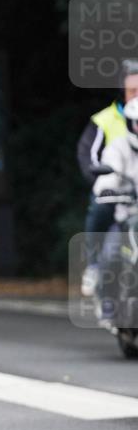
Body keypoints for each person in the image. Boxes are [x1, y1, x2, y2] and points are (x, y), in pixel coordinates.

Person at [77, 59, 138, 296]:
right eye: (132, 90)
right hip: (116, 191)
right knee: (99, 208)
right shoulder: (104, 120)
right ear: (122, 91)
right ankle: (93, 266)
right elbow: (89, 157)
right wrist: (105, 187)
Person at [92, 97, 138, 322]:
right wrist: (107, 189)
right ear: (129, 124)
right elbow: (108, 175)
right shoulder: (118, 147)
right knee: (110, 254)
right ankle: (108, 303)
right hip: (127, 218)